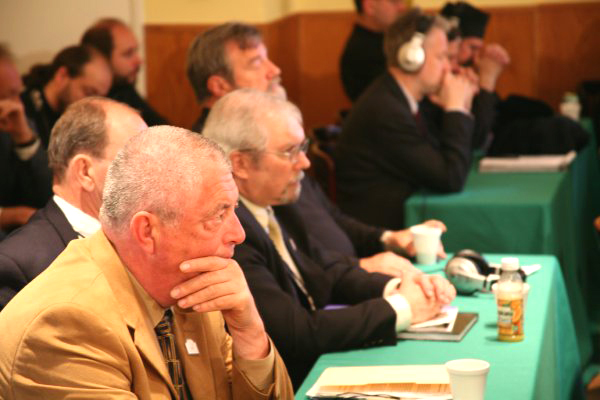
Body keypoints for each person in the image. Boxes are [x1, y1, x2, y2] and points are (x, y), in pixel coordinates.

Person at [0, 125, 293, 399]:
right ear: (147, 231)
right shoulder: (65, 325)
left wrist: (249, 332)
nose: (238, 234)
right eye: (218, 215)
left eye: (233, 210)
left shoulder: (192, 287)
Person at [203, 89, 456, 388]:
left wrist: (398, 286)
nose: (305, 163)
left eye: (303, 148)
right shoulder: (232, 234)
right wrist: (402, 308)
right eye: (289, 152)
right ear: (241, 164)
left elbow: (326, 271)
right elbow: (295, 333)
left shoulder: (277, 205)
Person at [335, 9, 477, 229]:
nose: (448, 67)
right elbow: (450, 178)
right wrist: (455, 109)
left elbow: (448, 157)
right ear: (412, 57)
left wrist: (458, 108)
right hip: (381, 233)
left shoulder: (398, 97)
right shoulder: (385, 111)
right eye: (441, 57)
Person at [0, 97, 147, 310]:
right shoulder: (18, 264)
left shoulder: (146, 242)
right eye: (136, 162)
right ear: (85, 171)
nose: (151, 175)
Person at [186, 22, 285, 132]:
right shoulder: (207, 142)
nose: (275, 70)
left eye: (266, 58)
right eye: (256, 63)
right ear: (219, 86)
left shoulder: (257, 129)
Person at [0, 44, 52, 235]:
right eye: (7, 95)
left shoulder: (15, 121)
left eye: (17, 94)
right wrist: (9, 215)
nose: (18, 105)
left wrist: (24, 138)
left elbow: (47, 193)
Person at [21, 44, 112, 148]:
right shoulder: (25, 111)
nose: (92, 104)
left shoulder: (75, 123)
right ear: (62, 75)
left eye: (99, 99)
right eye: (88, 92)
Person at [81, 18, 169, 126]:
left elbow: (158, 125)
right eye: (128, 54)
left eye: (136, 51)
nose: (139, 61)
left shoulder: (124, 88)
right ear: (102, 59)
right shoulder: (86, 100)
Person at [340, 0, 408, 102]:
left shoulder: (385, 40)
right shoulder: (360, 53)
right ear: (370, 6)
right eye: (394, 1)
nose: (402, 7)